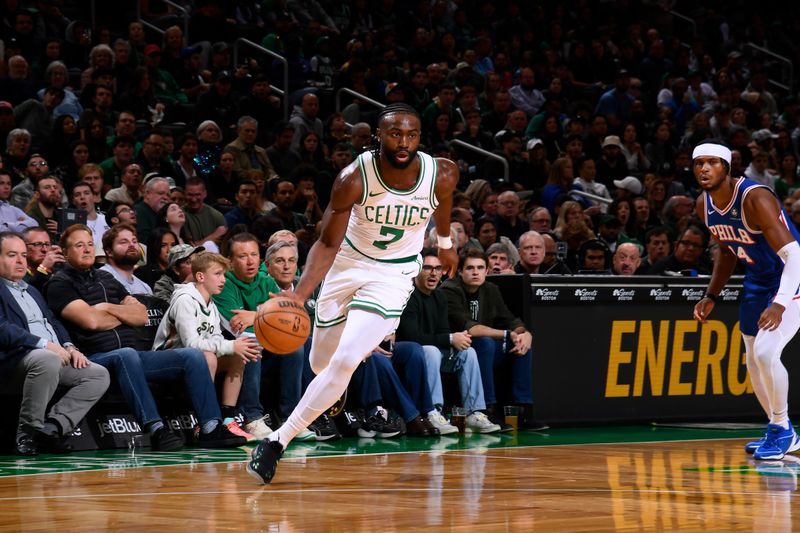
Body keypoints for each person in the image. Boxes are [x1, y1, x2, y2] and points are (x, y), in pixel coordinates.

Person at [247, 103, 459, 483]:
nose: (403, 142)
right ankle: (334, 386)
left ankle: (276, 442)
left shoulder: (441, 173)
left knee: (344, 361)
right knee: (321, 365)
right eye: (395, 134)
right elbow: (327, 243)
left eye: (411, 135)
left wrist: (444, 244)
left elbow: (442, 206)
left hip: (393, 275)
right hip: (348, 266)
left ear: (420, 137)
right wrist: (299, 295)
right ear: (379, 136)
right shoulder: (353, 178)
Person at [45, 225, 246, 450]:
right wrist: (120, 314)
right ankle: (157, 429)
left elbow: (140, 315)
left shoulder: (105, 278)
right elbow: (91, 321)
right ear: (64, 251)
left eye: (90, 244)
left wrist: (103, 308)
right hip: (93, 359)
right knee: (126, 355)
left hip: (136, 357)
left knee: (193, 355)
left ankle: (210, 427)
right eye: (78, 245)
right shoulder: (59, 283)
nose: (86, 249)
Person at [692, 141, 800, 460]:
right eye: (699, 163)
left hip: (791, 276)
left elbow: (794, 254)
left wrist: (780, 303)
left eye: (712, 162)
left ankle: (781, 429)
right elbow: (726, 250)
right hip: (757, 280)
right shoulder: (704, 204)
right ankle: (780, 430)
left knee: (767, 353)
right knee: (753, 359)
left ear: (727, 168)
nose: (705, 169)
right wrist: (712, 294)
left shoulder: (755, 197)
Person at [0, 231, 109, 455]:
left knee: (97, 374)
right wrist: (45, 344)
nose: (21, 261)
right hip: (14, 360)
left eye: (23, 254)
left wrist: (69, 346)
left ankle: (51, 430)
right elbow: (3, 329)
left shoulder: (31, 290)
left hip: (50, 356)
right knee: (47, 359)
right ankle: (27, 433)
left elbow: (53, 322)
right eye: (12, 255)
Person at [153, 251, 262, 441]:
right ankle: (205, 421)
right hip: (166, 359)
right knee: (208, 356)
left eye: (224, 275)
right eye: (217, 274)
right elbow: (192, 344)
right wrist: (229, 346)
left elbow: (217, 337)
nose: (223, 280)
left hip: (191, 360)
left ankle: (228, 419)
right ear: (200, 276)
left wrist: (236, 347)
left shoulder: (210, 302)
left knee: (240, 354)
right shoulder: (185, 300)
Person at [396, 250, 500, 434]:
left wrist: (456, 340)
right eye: (428, 268)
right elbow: (412, 337)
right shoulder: (406, 295)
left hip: (434, 356)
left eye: (438, 268)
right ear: (417, 270)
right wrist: (451, 338)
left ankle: (474, 413)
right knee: (430, 351)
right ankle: (433, 412)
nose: (434, 273)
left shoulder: (439, 296)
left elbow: (443, 332)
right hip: (411, 356)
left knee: (468, 352)